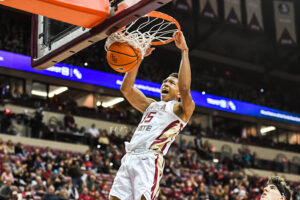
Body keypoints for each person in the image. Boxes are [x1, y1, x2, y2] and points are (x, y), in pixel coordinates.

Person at [109, 31, 195, 200]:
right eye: (164, 81)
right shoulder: (151, 105)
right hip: (130, 157)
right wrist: (138, 57)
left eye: (171, 83)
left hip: (149, 158)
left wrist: (184, 51)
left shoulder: (181, 109)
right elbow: (126, 89)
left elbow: (185, 88)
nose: (166, 83)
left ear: (178, 93)